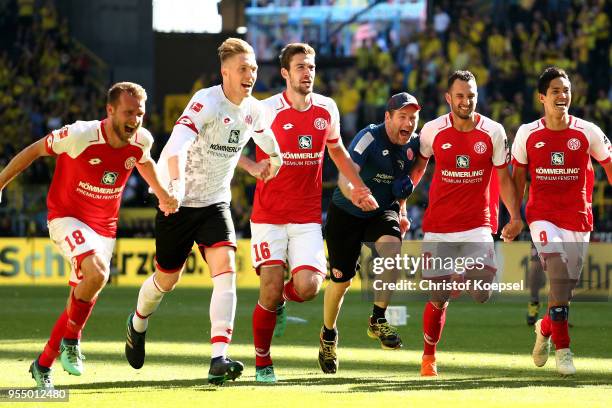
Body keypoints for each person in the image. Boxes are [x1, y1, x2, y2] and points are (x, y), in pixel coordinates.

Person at [123, 38, 283, 385]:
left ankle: (218, 357)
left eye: (253, 69)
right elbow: (177, 146)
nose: (250, 75)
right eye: (243, 68)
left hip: (214, 202)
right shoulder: (205, 102)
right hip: (176, 201)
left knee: (226, 270)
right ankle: (137, 323)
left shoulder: (253, 109)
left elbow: (264, 136)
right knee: (167, 279)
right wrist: (174, 189)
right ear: (225, 72)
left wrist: (270, 160)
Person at [0, 82, 178, 389]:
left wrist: (163, 195)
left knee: (82, 294)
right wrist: (1, 183)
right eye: (128, 113)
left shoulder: (141, 140)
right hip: (66, 218)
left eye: (140, 113)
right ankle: (72, 339)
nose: (135, 120)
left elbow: (144, 162)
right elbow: (35, 150)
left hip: (104, 229)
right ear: (109, 111)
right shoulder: (80, 135)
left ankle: (42, 364)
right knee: (97, 274)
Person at [237, 43, 375, 383]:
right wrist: (252, 166)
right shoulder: (264, 109)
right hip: (268, 215)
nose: (307, 72)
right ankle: (263, 362)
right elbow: (227, 144)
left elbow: (338, 151)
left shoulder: (326, 109)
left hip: (307, 217)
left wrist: (358, 186)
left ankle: (284, 299)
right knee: (267, 289)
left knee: (310, 286)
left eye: (311, 66)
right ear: (285, 73)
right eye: (300, 67)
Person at [413, 70, 523, 377]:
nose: (466, 101)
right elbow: (419, 169)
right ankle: (428, 358)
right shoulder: (432, 130)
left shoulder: (494, 132)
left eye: (471, 95)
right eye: (460, 96)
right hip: (438, 225)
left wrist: (514, 217)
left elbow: (503, 176)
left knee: (481, 293)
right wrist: (401, 205)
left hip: (477, 223)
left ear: (478, 96)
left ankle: (464, 274)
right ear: (449, 98)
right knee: (437, 296)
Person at [512, 67, 612, 375]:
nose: (562, 95)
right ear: (542, 97)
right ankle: (564, 348)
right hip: (542, 216)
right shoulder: (527, 133)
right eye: (555, 90)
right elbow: (518, 179)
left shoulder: (588, 131)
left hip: (578, 218)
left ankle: (544, 328)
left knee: (564, 291)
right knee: (556, 274)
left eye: (566, 90)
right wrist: (515, 216)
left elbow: (610, 164)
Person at [318, 92, 423, 374]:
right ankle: (328, 335)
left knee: (392, 250)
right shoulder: (368, 138)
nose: (409, 123)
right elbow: (344, 173)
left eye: (413, 118)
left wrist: (401, 210)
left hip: (381, 211)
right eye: (402, 116)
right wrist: (355, 195)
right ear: (387, 117)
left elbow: (405, 182)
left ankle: (378, 318)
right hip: (346, 213)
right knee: (341, 282)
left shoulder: (414, 144)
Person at [526, 242, 546, 325]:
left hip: (559, 235)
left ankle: (561, 313)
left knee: (559, 276)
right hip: (540, 236)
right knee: (534, 275)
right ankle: (533, 307)